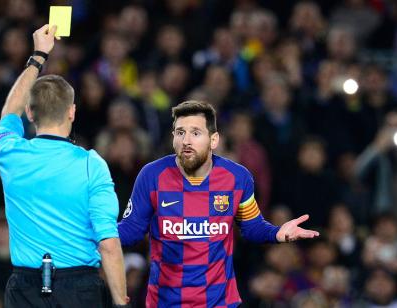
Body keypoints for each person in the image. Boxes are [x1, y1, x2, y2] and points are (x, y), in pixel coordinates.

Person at [118, 100, 319, 307]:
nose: (186, 140)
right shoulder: (152, 175)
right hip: (166, 302)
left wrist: (276, 233)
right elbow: (132, 229)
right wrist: (95, 233)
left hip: (220, 302)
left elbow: (251, 227)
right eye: (180, 132)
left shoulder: (237, 177)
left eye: (195, 133)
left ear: (213, 140)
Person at [0, 25, 128, 307]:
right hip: (80, 290)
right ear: (72, 111)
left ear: (30, 113)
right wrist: (121, 302)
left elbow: (8, 112)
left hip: (24, 291)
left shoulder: (11, 153)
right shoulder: (92, 164)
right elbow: (109, 244)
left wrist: (38, 56)